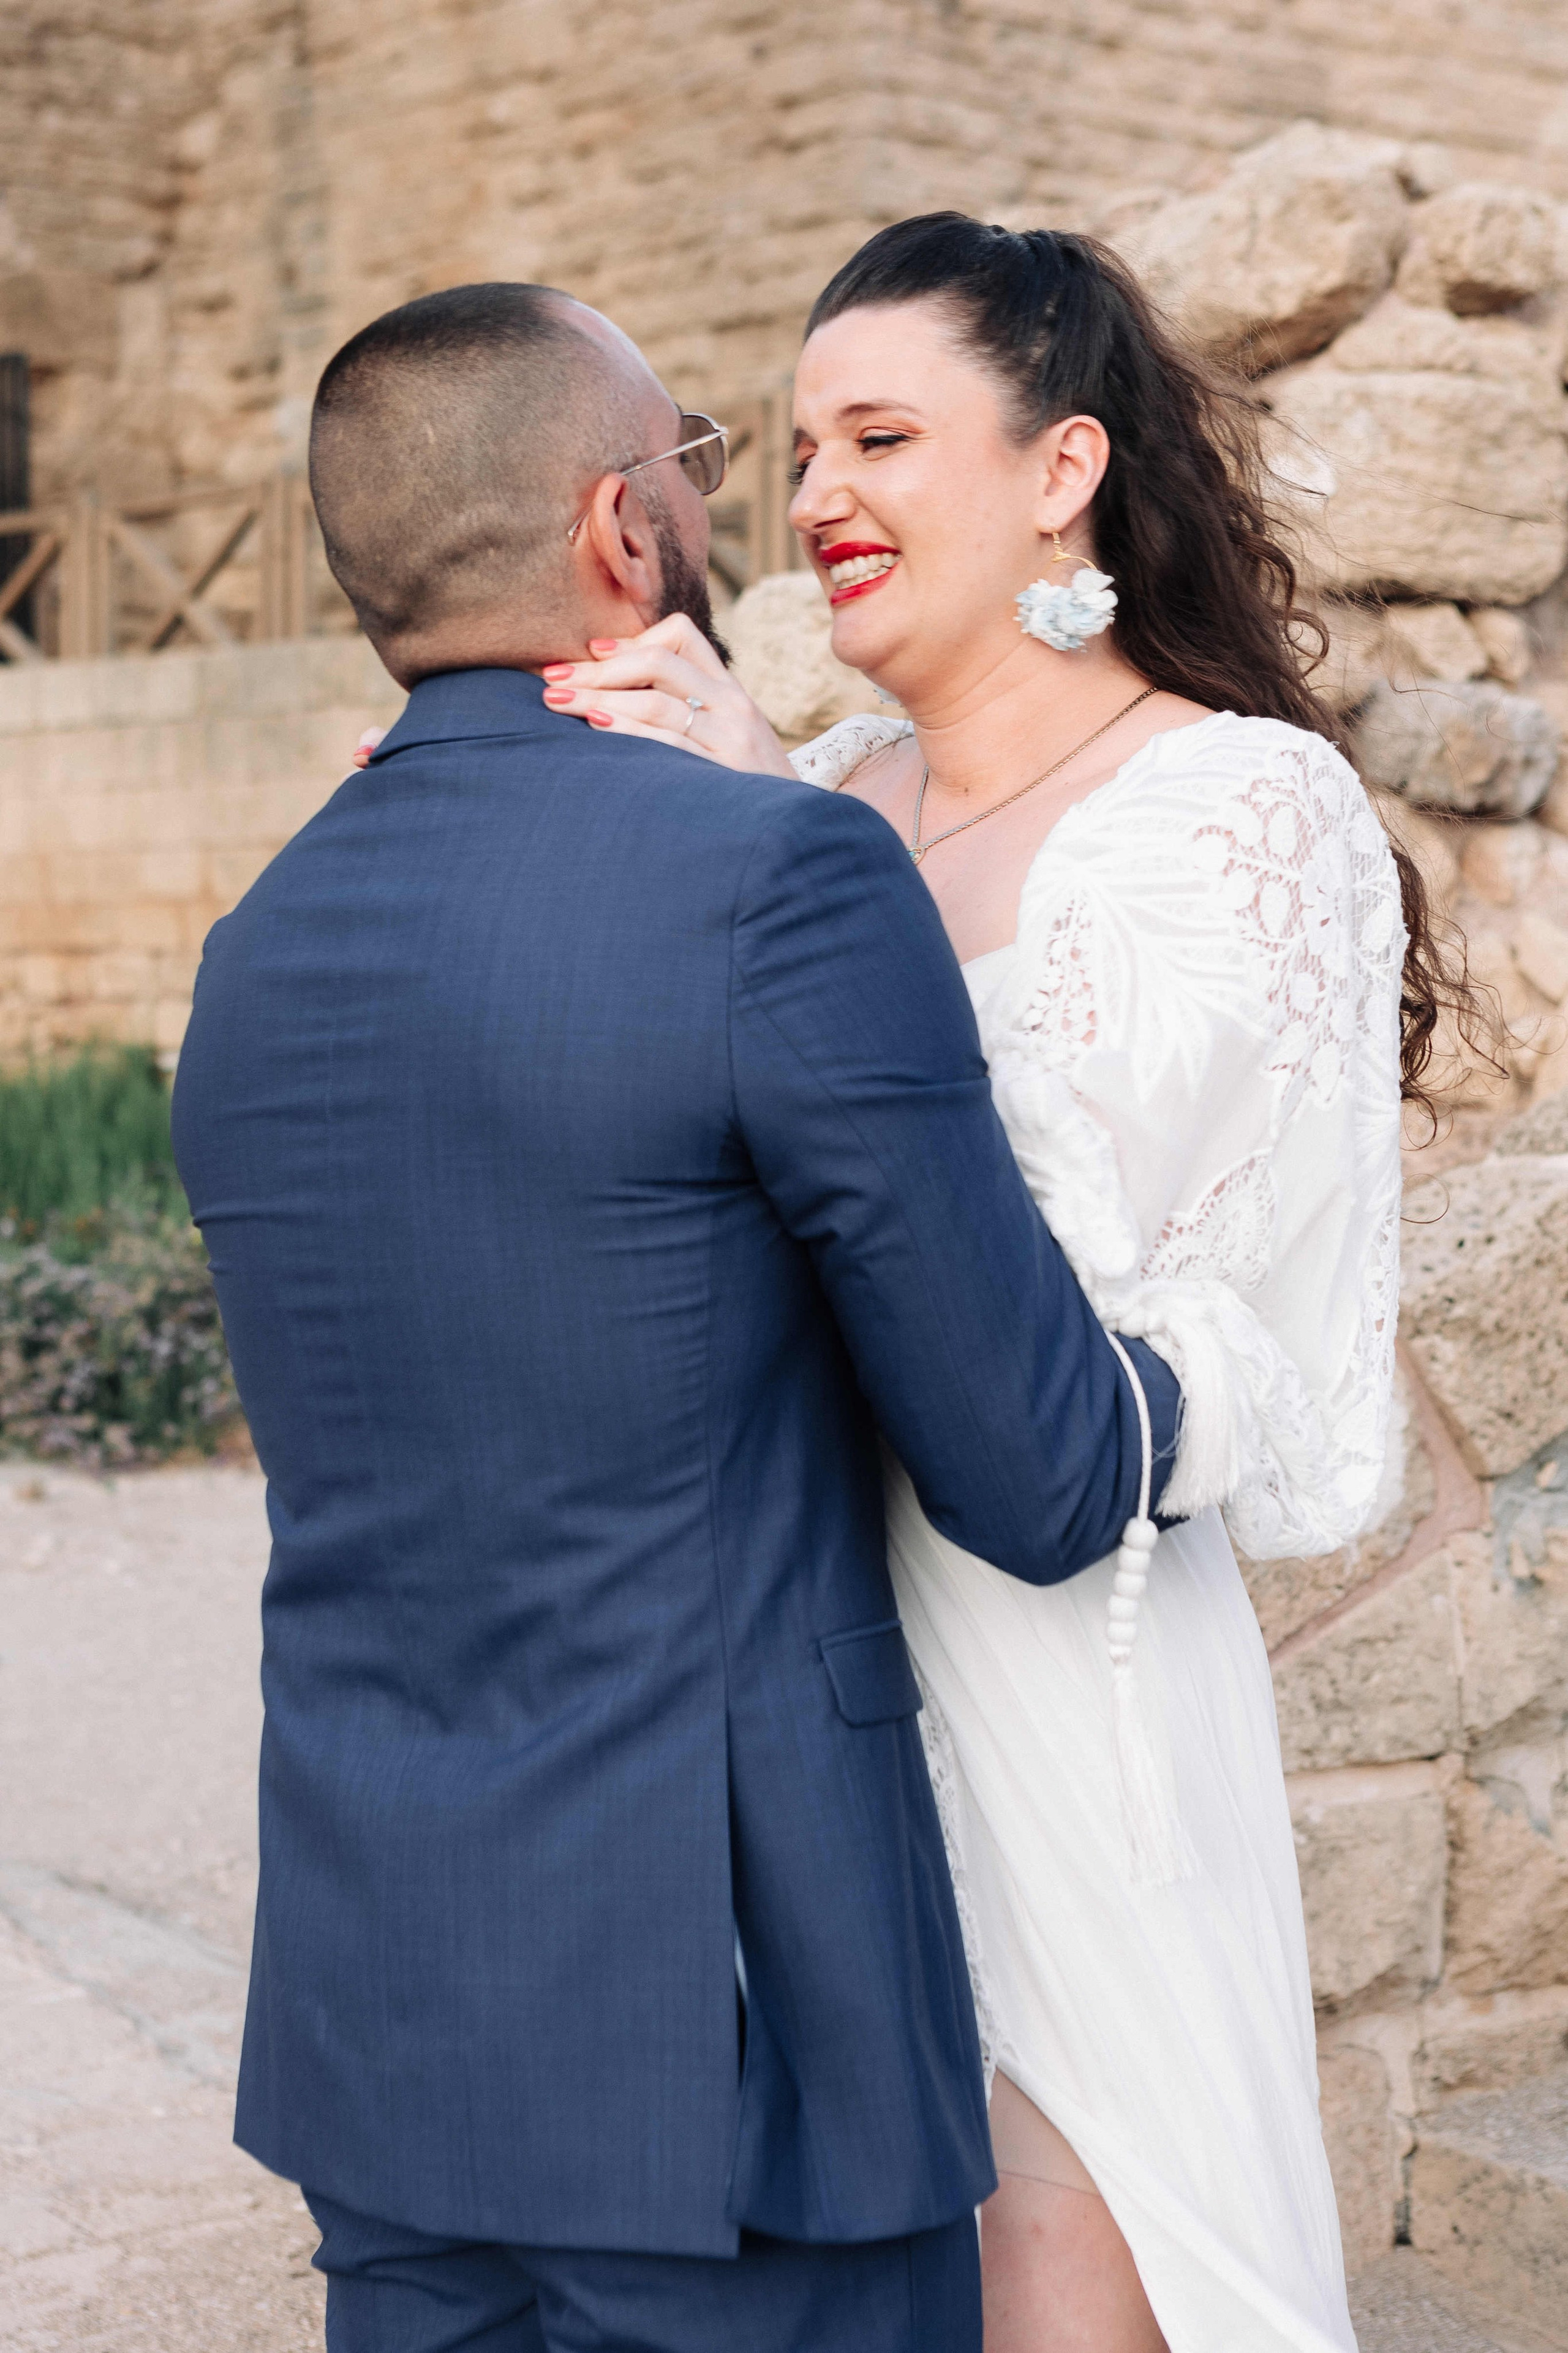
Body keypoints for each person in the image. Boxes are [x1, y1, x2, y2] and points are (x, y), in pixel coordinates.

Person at [170, 279, 1186, 2353]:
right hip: (732, 2048)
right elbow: (1043, 1471)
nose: (735, 505)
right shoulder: (785, 883)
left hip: (389, 2028)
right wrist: (1208, 1378)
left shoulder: (249, 952)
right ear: (617, 529)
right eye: (702, 461)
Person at [535, 214, 1469, 2352]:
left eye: (878, 435)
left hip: (1068, 1667)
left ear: (1061, 469)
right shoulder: (822, 807)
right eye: (790, 449)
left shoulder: (1238, 805)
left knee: (1067, 2272)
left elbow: (1135, 1314)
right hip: (793, 1663)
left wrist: (777, 846)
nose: (813, 498)